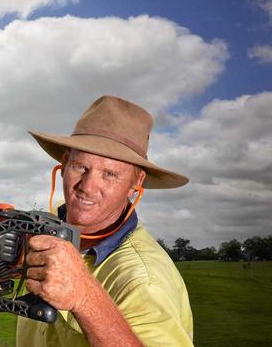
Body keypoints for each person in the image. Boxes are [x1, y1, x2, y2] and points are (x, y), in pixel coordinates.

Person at [16, 95, 193, 346]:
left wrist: (85, 298)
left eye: (109, 174)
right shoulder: (50, 227)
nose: (87, 187)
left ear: (136, 183)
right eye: (80, 167)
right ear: (64, 163)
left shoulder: (143, 279)